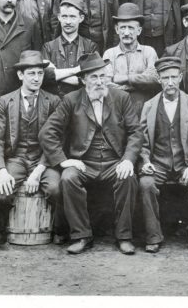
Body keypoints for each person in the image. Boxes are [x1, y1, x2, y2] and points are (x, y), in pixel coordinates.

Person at [40, 52, 142, 255]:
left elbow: (135, 132)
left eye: (102, 76)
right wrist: (63, 161)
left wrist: (128, 160)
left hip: (115, 161)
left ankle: (124, 236)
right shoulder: (71, 100)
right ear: (83, 80)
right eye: (93, 77)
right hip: (84, 162)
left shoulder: (121, 98)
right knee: (68, 178)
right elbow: (47, 133)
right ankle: (81, 235)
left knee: (128, 177)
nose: (99, 81)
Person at [138, 56, 188, 253]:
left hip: (186, 163)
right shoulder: (149, 106)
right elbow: (142, 143)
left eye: (173, 77)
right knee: (146, 184)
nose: (170, 82)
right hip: (159, 165)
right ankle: (153, 236)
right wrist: (145, 162)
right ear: (159, 80)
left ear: (180, 77)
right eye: (165, 78)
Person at [0, 51, 62, 241]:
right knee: (1, 194)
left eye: (40, 73)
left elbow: (57, 140)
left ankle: (60, 230)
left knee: (56, 189)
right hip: (16, 158)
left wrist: (38, 172)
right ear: (21, 75)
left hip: (44, 159)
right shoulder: (6, 101)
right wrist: (2, 171)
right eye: (31, 73)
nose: (37, 78)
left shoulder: (53, 101)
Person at [103, 3, 159, 111]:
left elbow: (154, 79)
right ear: (117, 29)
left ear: (139, 30)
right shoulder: (109, 54)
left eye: (131, 28)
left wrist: (123, 78)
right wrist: (138, 83)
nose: (127, 33)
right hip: (117, 109)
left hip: (144, 109)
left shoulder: (149, 52)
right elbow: (106, 83)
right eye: (123, 28)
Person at [41, 0, 98, 98]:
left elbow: (91, 79)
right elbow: (43, 77)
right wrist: (76, 70)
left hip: (82, 103)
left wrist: (55, 74)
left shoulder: (90, 46)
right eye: (64, 16)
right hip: (56, 103)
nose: (68, 22)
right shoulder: (48, 47)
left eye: (72, 17)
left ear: (81, 18)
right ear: (59, 17)